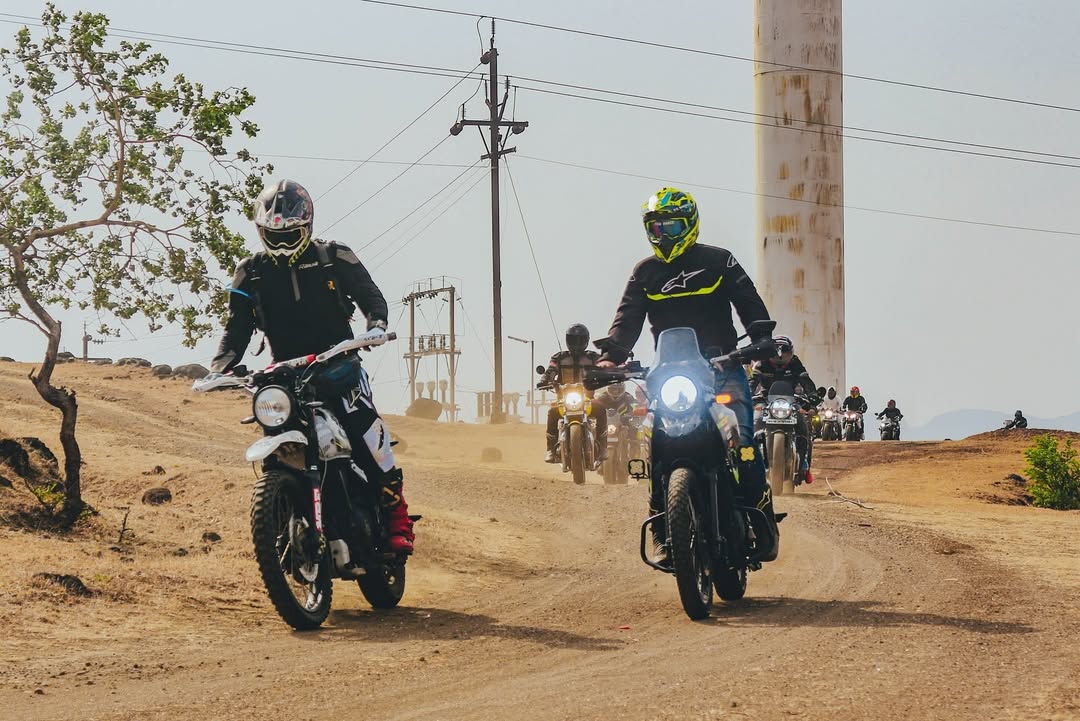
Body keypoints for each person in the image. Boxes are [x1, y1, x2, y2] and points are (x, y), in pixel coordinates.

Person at [209, 179, 414, 553]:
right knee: (274, 430)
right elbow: (236, 328)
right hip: (283, 372)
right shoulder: (249, 271)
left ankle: (396, 516)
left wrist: (377, 326)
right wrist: (221, 367)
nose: (284, 243)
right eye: (275, 235)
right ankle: (284, 515)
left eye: (292, 235)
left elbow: (370, 295)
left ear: (308, 227)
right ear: (261, 231)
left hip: (339, 363)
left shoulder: (334, 255)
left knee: (367, 435)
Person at [596, 186, 779, 563]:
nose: (663, 235)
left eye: (671, 227)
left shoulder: (719, 262)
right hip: (668, 374)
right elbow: (626, 320)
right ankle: (663, 531)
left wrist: (761, 336)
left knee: (744, 443)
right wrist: (611, 359)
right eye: (656, 228)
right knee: (657, 449)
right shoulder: (645, 273)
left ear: (690, 225)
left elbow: (749, 303)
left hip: (723, 368)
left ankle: (762, 519)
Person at [749, 335, 819, 480]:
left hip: (791, 400)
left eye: (785, 351)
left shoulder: (795, 363)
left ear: (790, 352)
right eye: (776, 352)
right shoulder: (761, 363)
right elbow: (751, 382)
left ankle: (803, 462)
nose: (780, 356)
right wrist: (746, 395)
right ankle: (751, 462)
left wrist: (813, 397)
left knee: (802, 425)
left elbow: (806, 381)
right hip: (765, 399)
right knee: (755, 423)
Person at [541, 323, 607, 464]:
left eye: (580, 340)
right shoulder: (559, 358)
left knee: (601, 409)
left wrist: (608, 374)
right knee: (552, 412)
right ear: (567, 340)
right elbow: (550, 370)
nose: (576, 344)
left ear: (586, 340)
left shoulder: (593, 358)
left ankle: (603, 447)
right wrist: (544, 380)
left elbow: (604, 366)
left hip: (587, 399)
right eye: (573, 340)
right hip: (563, 400)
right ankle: (550, 449)